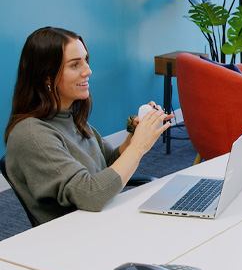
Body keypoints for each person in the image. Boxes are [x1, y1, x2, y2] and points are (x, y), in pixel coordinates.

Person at [4, 27, 174, 224]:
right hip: (78, 236)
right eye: (75, 65)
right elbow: (92, 195)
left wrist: (136, 136)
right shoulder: (31, 134)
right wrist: (138, 148)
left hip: (104, 219)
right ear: (46, 77)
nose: (88, 70)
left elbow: (109, 162)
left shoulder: (69, 117)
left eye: (85, 60)